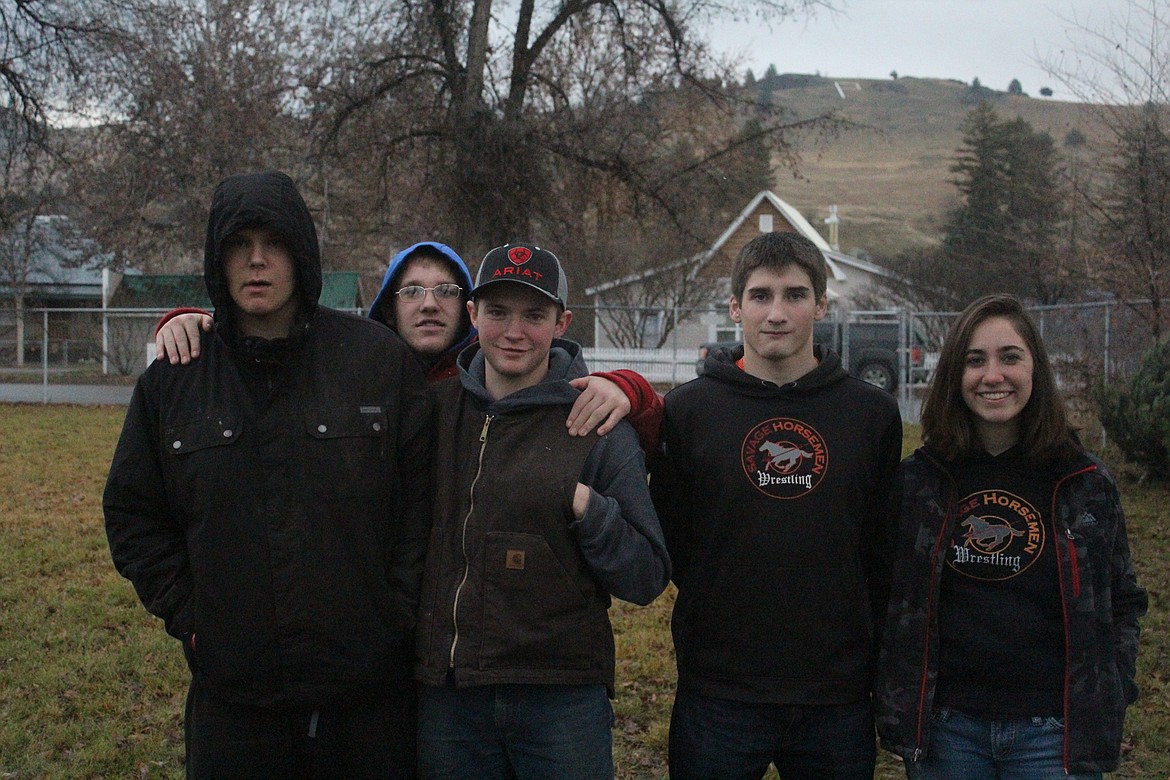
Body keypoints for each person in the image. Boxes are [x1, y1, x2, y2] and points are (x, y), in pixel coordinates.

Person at [103, 170, 430, 778]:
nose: (256, 261)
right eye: (238, 244)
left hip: (366, 698)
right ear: (215, 258)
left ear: (301, 254)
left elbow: (423, 503)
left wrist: (393, 615)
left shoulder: (376, 361)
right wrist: (193, 618)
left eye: (274, 243)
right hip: (236, 699)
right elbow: (132, 515)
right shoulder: (176, 380)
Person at [650, 231, 903, 779]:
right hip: (719, 687)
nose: (778, 313)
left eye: (795, 295)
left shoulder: (871, 415)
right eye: (761, 296)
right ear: (736, 307)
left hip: (834, 692)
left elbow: (881, 549)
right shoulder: (690, 411)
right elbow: (675, 535)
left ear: (821, 305)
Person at [413, 242, 671, 779]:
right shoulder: (432, 414)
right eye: (498, 312)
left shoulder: (596, 423)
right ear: (473, 315)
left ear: (562, 322)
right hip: (450, 695)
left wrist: (586, 507)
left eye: (534, 314)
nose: (514, 331)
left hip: (561, 700)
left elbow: (646, 576)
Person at [875, 293, 1148, 779]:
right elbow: (886, 593)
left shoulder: (1085, 483)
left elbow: (1123, 598)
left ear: (1035, 370)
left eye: (1010, 357)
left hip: (1055, 732)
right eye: (975, 360)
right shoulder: (919, 483)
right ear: (955, 376)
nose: (992, 375)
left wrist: (1112, 685)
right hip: (945, 729)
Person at [154, 241, 662, 445]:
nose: (428, 303)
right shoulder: (348, 371)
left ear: (466, 310)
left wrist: (628, 388)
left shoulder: (494, 382)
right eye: (412, 290)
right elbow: (273, 355)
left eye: (445, 290)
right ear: (389, 306)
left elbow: (660, 429)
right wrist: (194, 322)